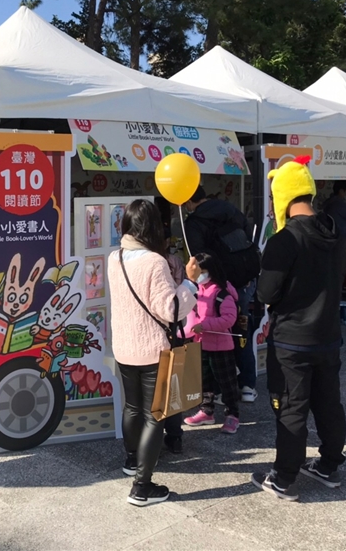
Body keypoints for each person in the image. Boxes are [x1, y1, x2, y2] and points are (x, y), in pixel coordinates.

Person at [251, 157, 346, 502]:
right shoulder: (336, 234)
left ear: (283, 195)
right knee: (328, 403)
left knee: (291, 408)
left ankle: (284, 478)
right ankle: (330, 464)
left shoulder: (285, 239)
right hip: (328, 335)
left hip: (292, 341)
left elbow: (266, 293)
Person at [108, 199, 200, 507]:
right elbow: (171, 310)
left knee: (132, 408)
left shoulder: (114, 258)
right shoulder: (155, 262)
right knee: (155, 416)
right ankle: (141, 487)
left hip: (124, 347)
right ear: (153, 227)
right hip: (151, 349)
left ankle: (131, 460)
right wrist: (190, 283)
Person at [184, 186, 258, 403]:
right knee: (241, 330)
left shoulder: (194, 222)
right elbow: (248, 234)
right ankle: (247, 385)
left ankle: (218, 389)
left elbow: (199, 257)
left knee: (216, 334)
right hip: (244, 280)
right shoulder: (229, 208)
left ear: (188, 201)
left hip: (217, 285)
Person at [182, 253, 241, 434]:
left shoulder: (222, 292)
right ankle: (206, 411)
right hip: (202, 343)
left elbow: (229, 319)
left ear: (211, 271)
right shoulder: (198, 290)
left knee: (227, 382)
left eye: (201, 272)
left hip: (221, 345)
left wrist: (204, 325)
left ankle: (233, 414)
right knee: (204, 381)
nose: (198, 276)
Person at [163, 227, 186, 454]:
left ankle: (157, 437)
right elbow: (180, 291)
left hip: (155, 330)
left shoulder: (145, 262)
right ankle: (175, 436)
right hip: (174, 328)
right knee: (173, 385)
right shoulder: (174, 261)